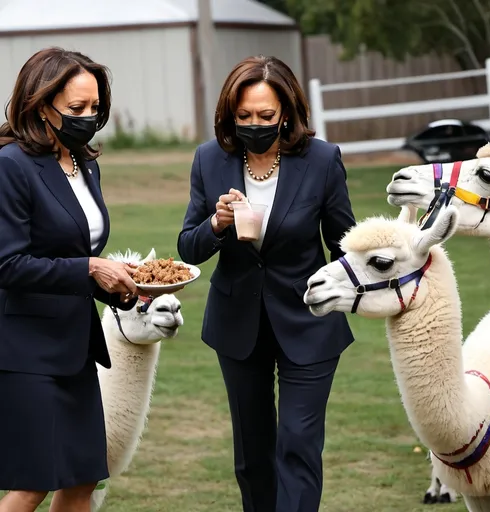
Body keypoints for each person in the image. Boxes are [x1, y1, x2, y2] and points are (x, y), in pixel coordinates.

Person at [177, 55, 356, 512]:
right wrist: (216, 225)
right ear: (230, 115)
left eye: (266, 116)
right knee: (252, 456)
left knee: (298, 443)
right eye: (244, 117)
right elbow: (188, 247)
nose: (254, 125)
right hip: (237, 323)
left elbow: (344, 245)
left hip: (309, 322)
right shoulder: (208, 159)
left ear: (287, 113)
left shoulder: (322, 160)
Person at [0, 47, 140, 512]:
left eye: (95, 108)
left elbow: (81, 253)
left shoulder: (85, 163)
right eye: (76, 108)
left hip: (75, 348)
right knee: (32, 485)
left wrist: (118, 280)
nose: (88, 117)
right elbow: (8, 265)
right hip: (26, 352)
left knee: (82, 482)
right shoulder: (11, 166)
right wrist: (89, 269)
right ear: (42, 106)